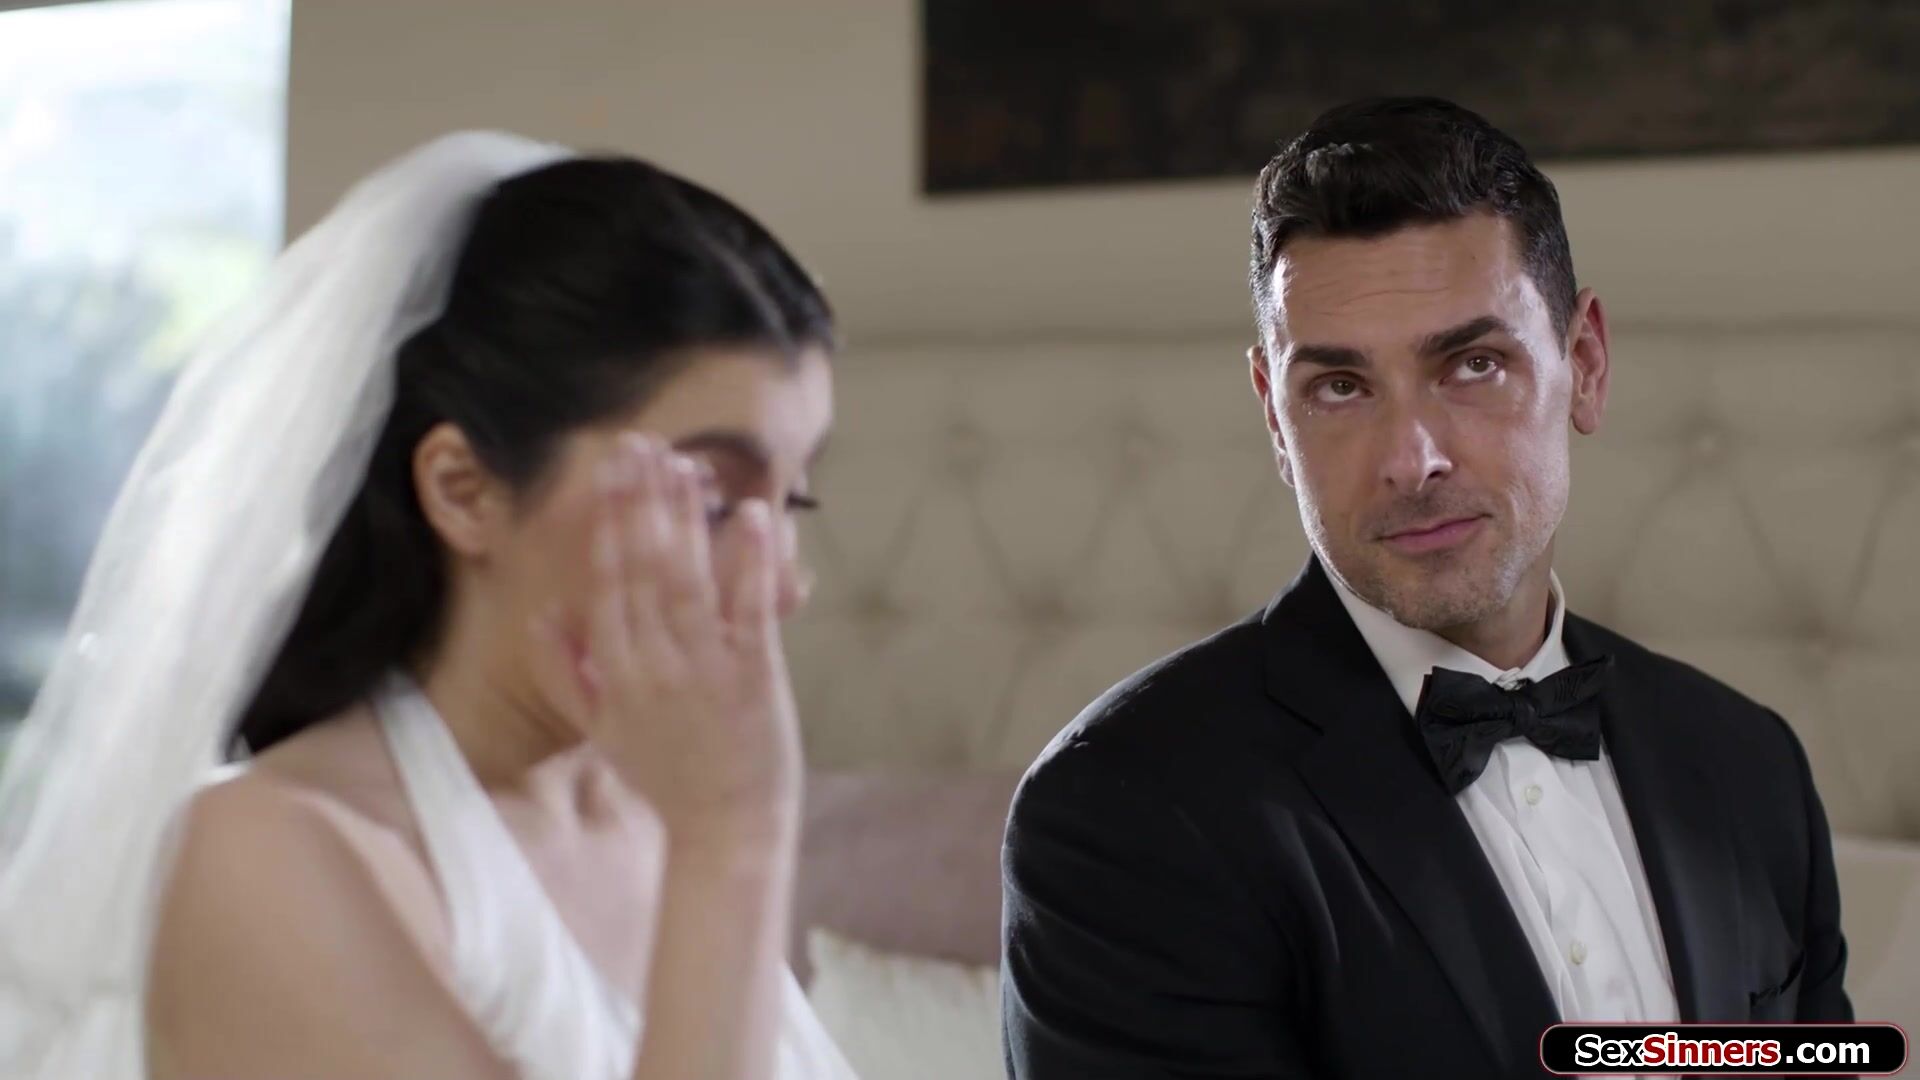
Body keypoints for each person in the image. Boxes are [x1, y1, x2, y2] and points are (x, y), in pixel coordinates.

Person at [1001, 97, 1851, 1079]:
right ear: (1276, 417)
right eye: (1341, 387)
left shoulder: (1749, 765)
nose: (1412, 461)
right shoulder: (1123, 810)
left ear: (1584, 364)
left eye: (1473, 365)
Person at [0, 131, 858, 1080]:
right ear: (463, 489)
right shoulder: (270, 854)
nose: (779, 582)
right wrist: (734, 844)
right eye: (707, 499)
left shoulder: (656, 820)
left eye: (791, 505)